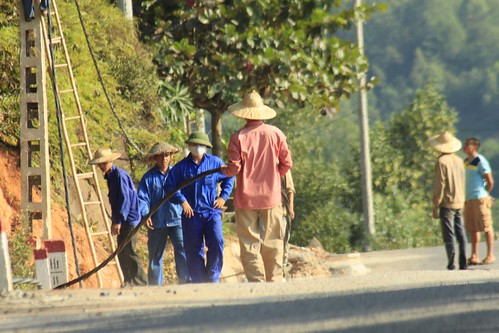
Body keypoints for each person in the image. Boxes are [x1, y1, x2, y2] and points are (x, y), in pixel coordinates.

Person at [221, 91, 293, 282]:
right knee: (273, 240)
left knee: (249, 242)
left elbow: (235, 168)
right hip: (271, 197)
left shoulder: (237, 138)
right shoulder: (276, 134)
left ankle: (256, 281)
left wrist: (224, 171)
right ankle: (274, 278)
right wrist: (274, 176)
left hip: (246, 198)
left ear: (244, 113)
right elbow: (286, 164)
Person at [165, 131, 234, 283]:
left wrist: (223, 197)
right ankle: (199, 281)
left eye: (201, 145)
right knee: (193, 249)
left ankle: (213, 278)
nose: (198, 147)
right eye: (195, 144)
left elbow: (230, 176)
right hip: (191, 215)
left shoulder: (215, 163)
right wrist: (182, 201)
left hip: (211, 212)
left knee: (216, 242)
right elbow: (169, 186)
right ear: (189, 146)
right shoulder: (180, 167)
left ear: (206, 147)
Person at [89, 147, 148, 287]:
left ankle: (140, 281)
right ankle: (129, 280)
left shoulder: (119, 176)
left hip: (129, 219)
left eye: (103, 163)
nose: (101, 167)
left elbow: (124, 200)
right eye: (100, 164)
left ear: (110, 162)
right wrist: (116, 220)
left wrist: (118, 221)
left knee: (129, 251)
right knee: (122, 252)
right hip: (123, 219)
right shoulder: (111, 177)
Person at [138, 142, 190, 285]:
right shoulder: (148, 178)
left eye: (166, 155)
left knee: (182, 251)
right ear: (155, 158)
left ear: (171, 157)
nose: (164, 159)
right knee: (155, 256)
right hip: (157, 221)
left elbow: (186, 194)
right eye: (160, 156)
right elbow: (142, 198)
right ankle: (156, 287)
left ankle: (185, 282)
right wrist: (145, 214)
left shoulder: (177, 175)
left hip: (177, 219)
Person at [428, 131, 467, 270]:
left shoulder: (441, 162)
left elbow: (440, 185)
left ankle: (452, 263)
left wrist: (435, 205)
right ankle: (463, 263)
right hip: (459, 201)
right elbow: (462, 182)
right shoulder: (460, 161)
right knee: (461, 233)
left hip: (447, 203)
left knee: (449, 234)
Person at [463, 137, 495, 265]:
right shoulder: (466, 161)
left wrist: (486, 194)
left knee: (486, 225)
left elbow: (489, 180)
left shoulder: (480, 160)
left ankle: (490, 254)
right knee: (473, 227)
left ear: (474, 147)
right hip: (469, 198)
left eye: (467, 145)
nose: (465, 147)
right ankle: (474, 255)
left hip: (479, 197)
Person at [281, 170, 295, 267]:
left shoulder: (283, 168)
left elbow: (290, 189)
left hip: (281, 211)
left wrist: (291, 207)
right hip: (264, 211)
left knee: (283, 240)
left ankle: (282, 265)